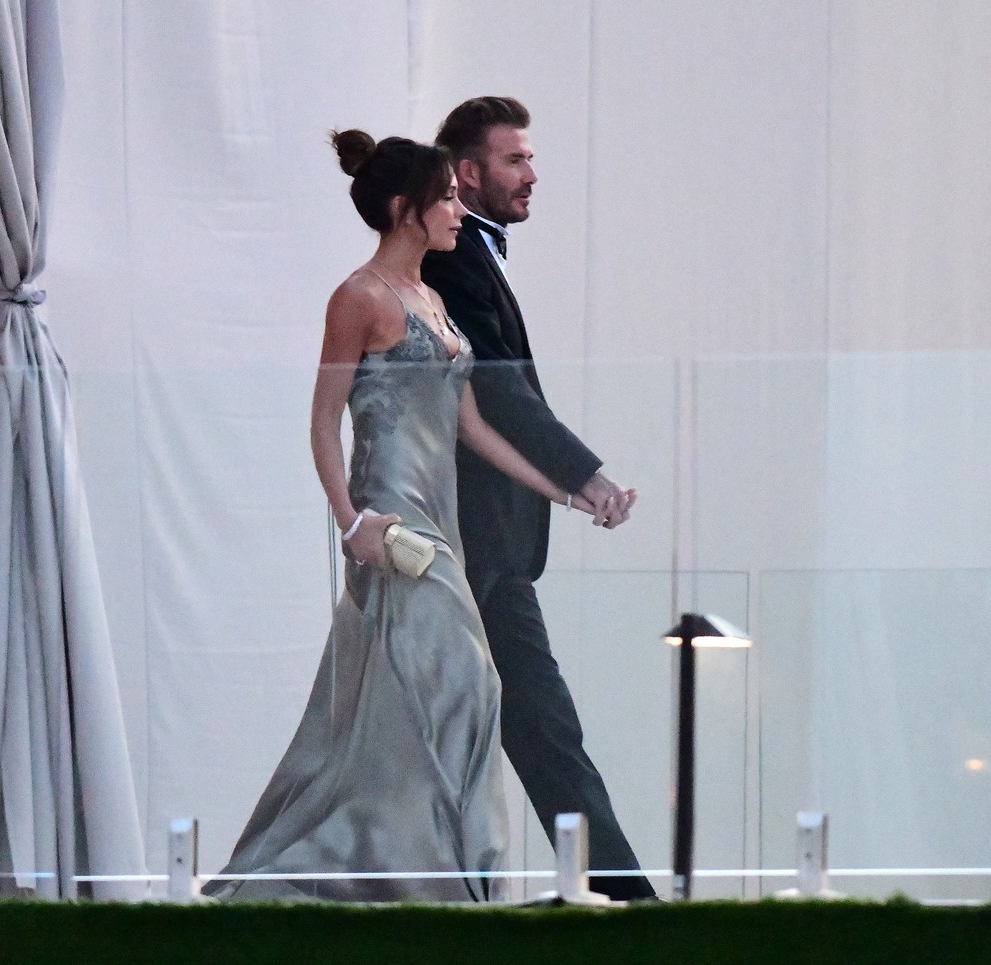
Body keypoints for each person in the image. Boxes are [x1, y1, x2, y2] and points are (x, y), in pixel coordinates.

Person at [203, 130, 601, 902]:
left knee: (427, 699)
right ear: (402, 209)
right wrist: (352, 522)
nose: (457, 210)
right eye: (445, 198)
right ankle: (455, 881)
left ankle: (426, 873)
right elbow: (323, 419)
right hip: (393, 527)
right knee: (471, 682)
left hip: (439, 526)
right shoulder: (359, 297)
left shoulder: (434, 299)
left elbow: (471, 425)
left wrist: (565, 489)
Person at [422, 96, 657, 902]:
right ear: (466, 172)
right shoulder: (453, 259)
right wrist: (583, 478)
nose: (531, 173)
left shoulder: (469, 254)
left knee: (535, 727)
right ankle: (627, 902)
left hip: (486, 542)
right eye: (515, 159)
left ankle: (618, 896)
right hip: (467, 541)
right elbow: (496, 393)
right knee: (538, 726)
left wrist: (567, 486)